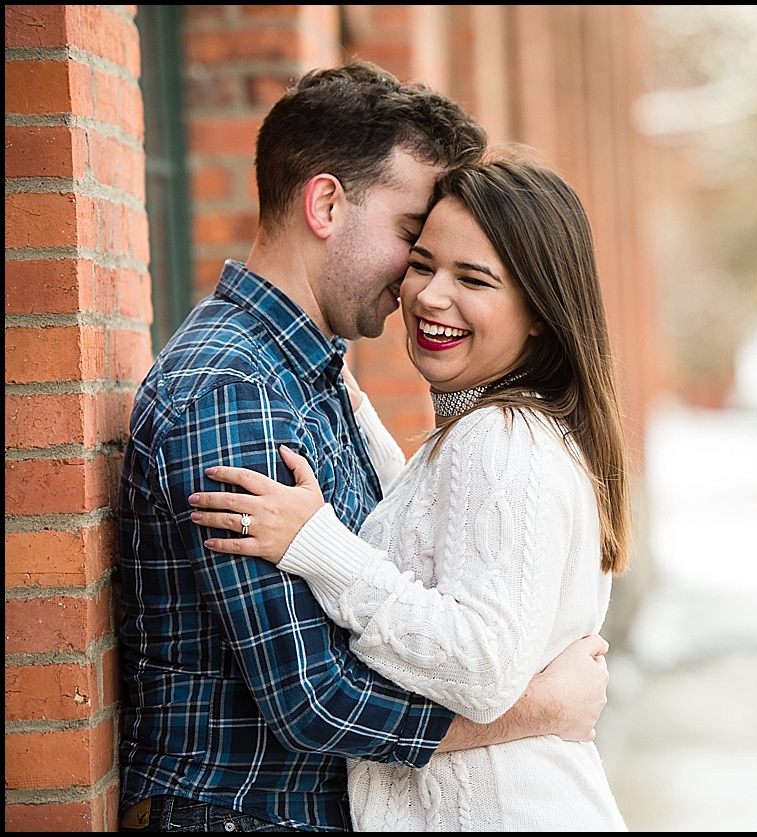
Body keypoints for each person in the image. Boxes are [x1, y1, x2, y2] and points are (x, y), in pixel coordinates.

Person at [117, 64, 610, 833]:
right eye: (414, 240)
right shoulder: (233, 388)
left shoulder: (318, 376)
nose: (419, 284)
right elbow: (313, 697)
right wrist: (538, 708)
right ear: (326, 204)